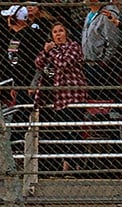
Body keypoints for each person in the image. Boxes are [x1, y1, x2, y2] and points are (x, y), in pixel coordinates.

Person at [33, 22, 87, 172]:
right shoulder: (50, 50)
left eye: (61, 31)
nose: (58, 34)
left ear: (66, 33)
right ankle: (68, 163)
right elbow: (39, 64)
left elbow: (63, 63)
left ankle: (73, 164)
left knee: (72, 130)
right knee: (61, 131)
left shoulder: (73, 46)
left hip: (72, 95)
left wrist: (51, 52)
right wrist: (46, 51)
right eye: (55, 32)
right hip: (54, 97)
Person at [0, 5, 44, 106]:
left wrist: (19, 83)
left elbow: (18, 61)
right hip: (25, 80)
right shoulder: (31, 34)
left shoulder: (20, 37)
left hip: (26, 81)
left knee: (23, 111)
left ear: (14, 19)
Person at [81, 0, 122, 103]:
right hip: (89, 61)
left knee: (106, 96)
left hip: (102, 63)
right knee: (94, 97)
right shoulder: (90, 14)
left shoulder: (107, 13)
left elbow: (113, 40)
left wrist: (105, 59)